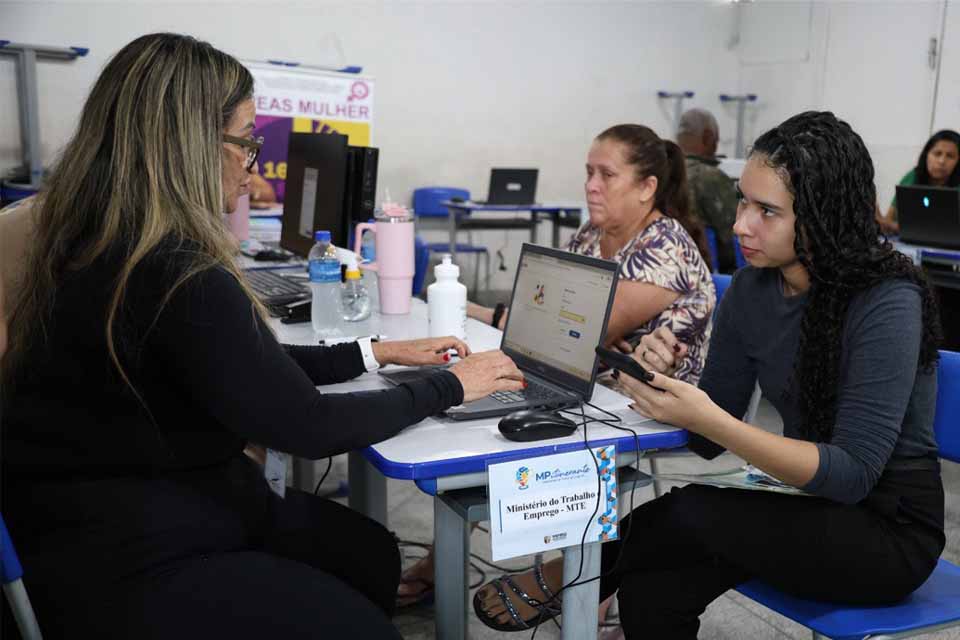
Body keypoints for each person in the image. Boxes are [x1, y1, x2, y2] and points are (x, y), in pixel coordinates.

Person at [0, 33, 527, 639]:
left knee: (370, 556)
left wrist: (372, 352)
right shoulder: (176, 270)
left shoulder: (91, 238)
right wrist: (451, 386)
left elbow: (240, 363)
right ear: (190, 144)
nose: (252, 164)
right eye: (245, 142)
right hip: (124, 549)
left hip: (94, 505)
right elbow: (307, 427)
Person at [474, 111, 945, 637]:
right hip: (807, 503)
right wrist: (659, 378)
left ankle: (573, 574)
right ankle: (591, 575)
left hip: (887, 529)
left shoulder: (886, 299)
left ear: (823, 215)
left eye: (768, 210)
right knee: (652, 587)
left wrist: (712, 421)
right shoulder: (751, 290)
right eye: (744, 201)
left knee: (691, 509)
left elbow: (853, 471)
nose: (741, 223)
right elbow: (708, 430)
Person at [400, 123, 717, 608]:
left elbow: (579, 334)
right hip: (579, 383)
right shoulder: (594, 233)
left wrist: (489, 317)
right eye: (589, 172)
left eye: (606, 175)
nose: (591, 184)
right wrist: (473, 313)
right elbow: (538, 323)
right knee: (478, 405)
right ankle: (460, 563)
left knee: (498, 421)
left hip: (640, 407)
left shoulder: (665, 249)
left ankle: (584, 586)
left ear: (647, 187)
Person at [676, 108, 740, 273]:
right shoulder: (710, 177)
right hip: (704, 273)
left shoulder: (661, 172)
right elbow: (736, 234)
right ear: (707, 137)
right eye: (716, 141)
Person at [877, 129, 960, 234]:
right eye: (937, 154)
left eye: (950, 156)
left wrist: (898, 227)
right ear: (927, 155)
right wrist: (878, 219)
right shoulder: (912, 177)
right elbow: (888, 221)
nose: (941, 161)